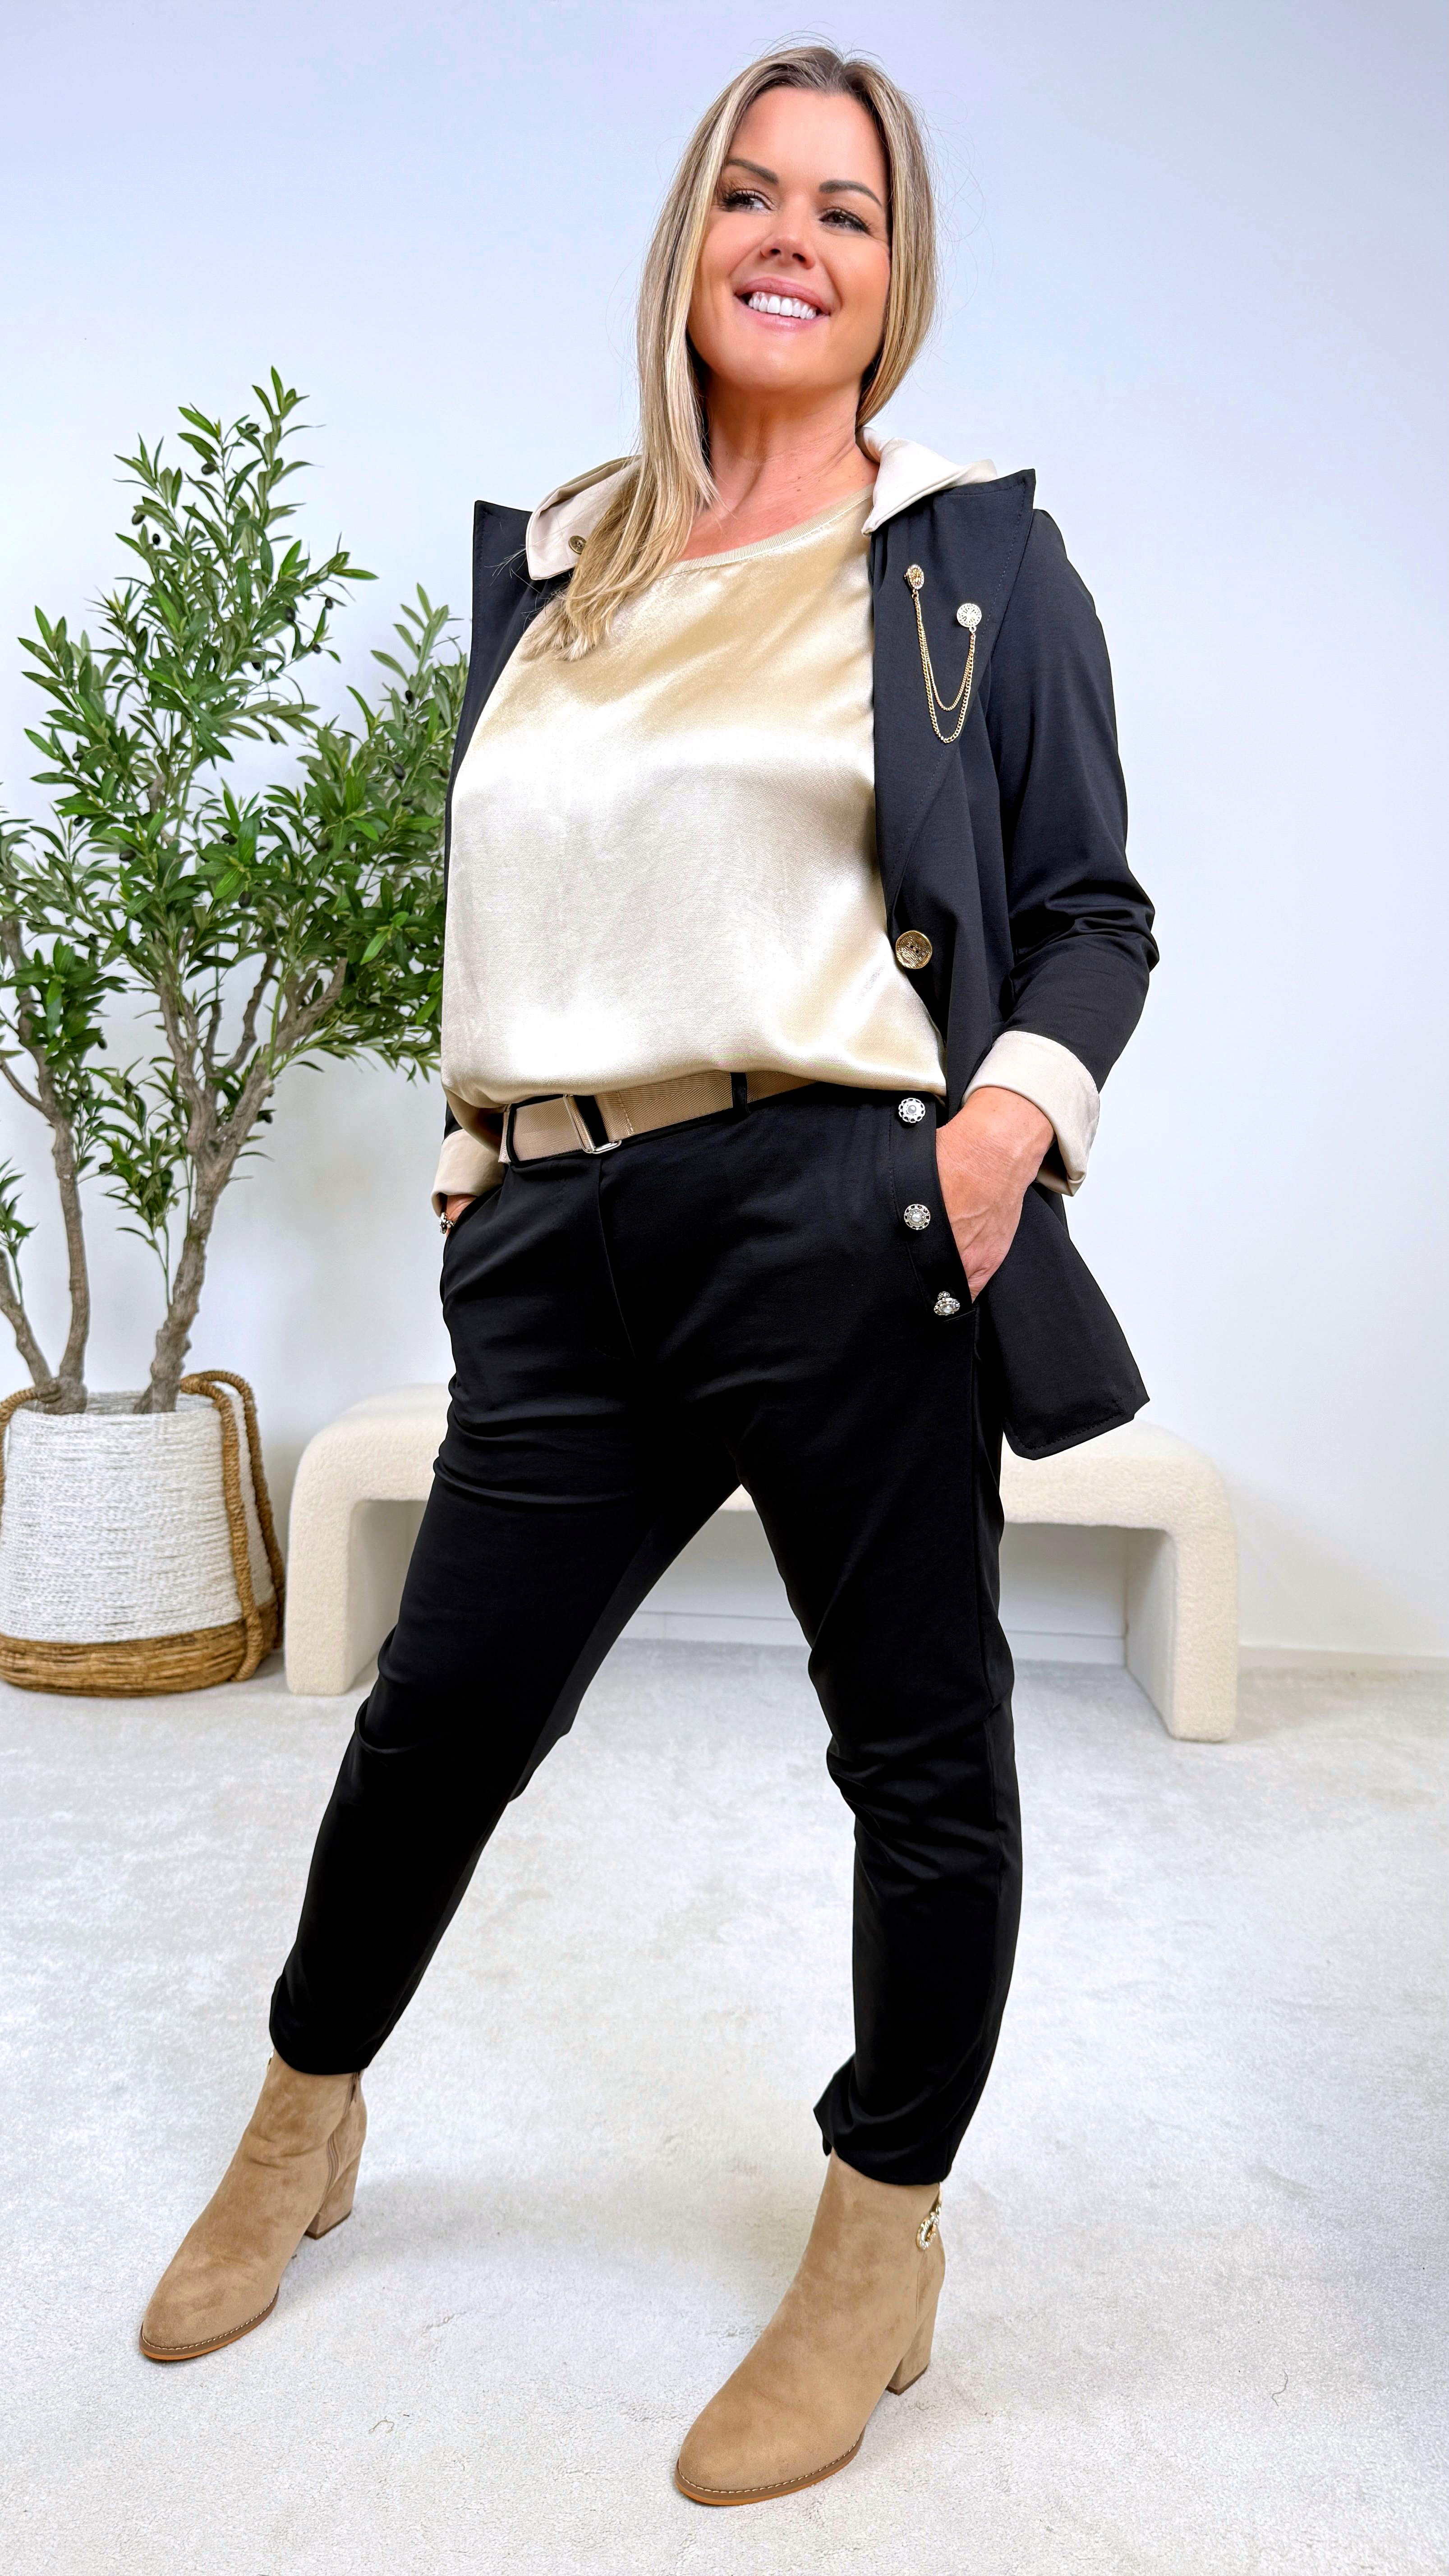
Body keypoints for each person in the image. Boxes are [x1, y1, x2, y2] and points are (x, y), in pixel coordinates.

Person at [139, 43, 1156, 2507]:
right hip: (563, 1234)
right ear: (689, 240)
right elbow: (521, 901)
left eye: (849, 210)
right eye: (753, 196)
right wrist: (477, 1163)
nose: (794, 240)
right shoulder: (566, 561)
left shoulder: (967, 560)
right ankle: (302, 2116)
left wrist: (1000, 1133)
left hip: (844, 1210)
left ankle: (881, 2239)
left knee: (916, 1749)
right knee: (442, 1719)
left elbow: (1091, 914)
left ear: (896, 277)